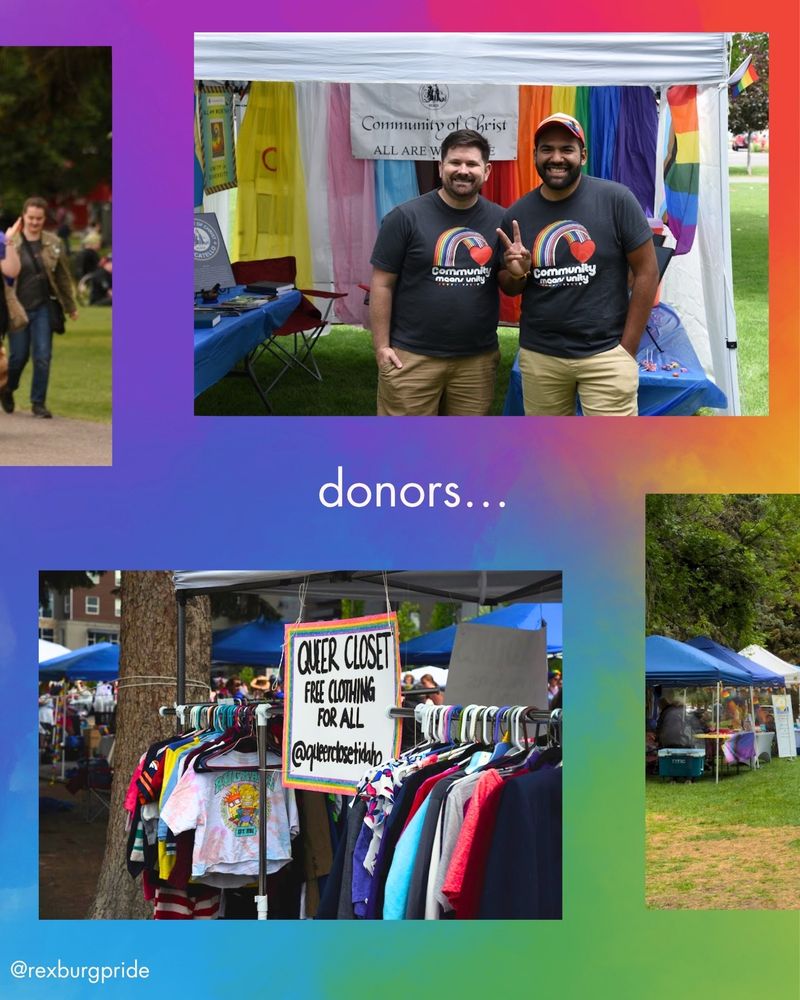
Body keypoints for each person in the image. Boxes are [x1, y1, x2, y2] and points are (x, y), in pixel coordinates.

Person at [496, 112, 659, 416]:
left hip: (606, 354)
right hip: (541, 356)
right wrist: (519, 274)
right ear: (534, 155)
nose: (556, 158)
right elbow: (508, 284)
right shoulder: (518, 214)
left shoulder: (616, 200)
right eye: (547, 149)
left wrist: (627, 349)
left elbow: (647, 271)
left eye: (566, 149)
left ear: (582, 155)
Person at [369, 128, 504, 416]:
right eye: (455, 162)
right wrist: (381, 347)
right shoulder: (405, 217)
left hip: (476, 361)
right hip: (412, 357)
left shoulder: (500, 220)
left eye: (472, 164)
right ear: (441, 167)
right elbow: (382, 284)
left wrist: (519, 271)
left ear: (487, 170)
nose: (463, 171)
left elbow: (510, 282)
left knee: (463, 453)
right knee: (404, 452)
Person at [2, 197, 78, 418]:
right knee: (18, 357)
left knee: (43, 355)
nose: (34, 222)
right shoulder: (11, 241)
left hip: (44, 306)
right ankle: (7, 389)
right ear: (23, 217)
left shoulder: (54, 242)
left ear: (45, 219)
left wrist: (70, 306)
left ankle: (38, 402)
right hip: (17, 308)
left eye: (39, 218)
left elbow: (63, 276)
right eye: (30, 218)